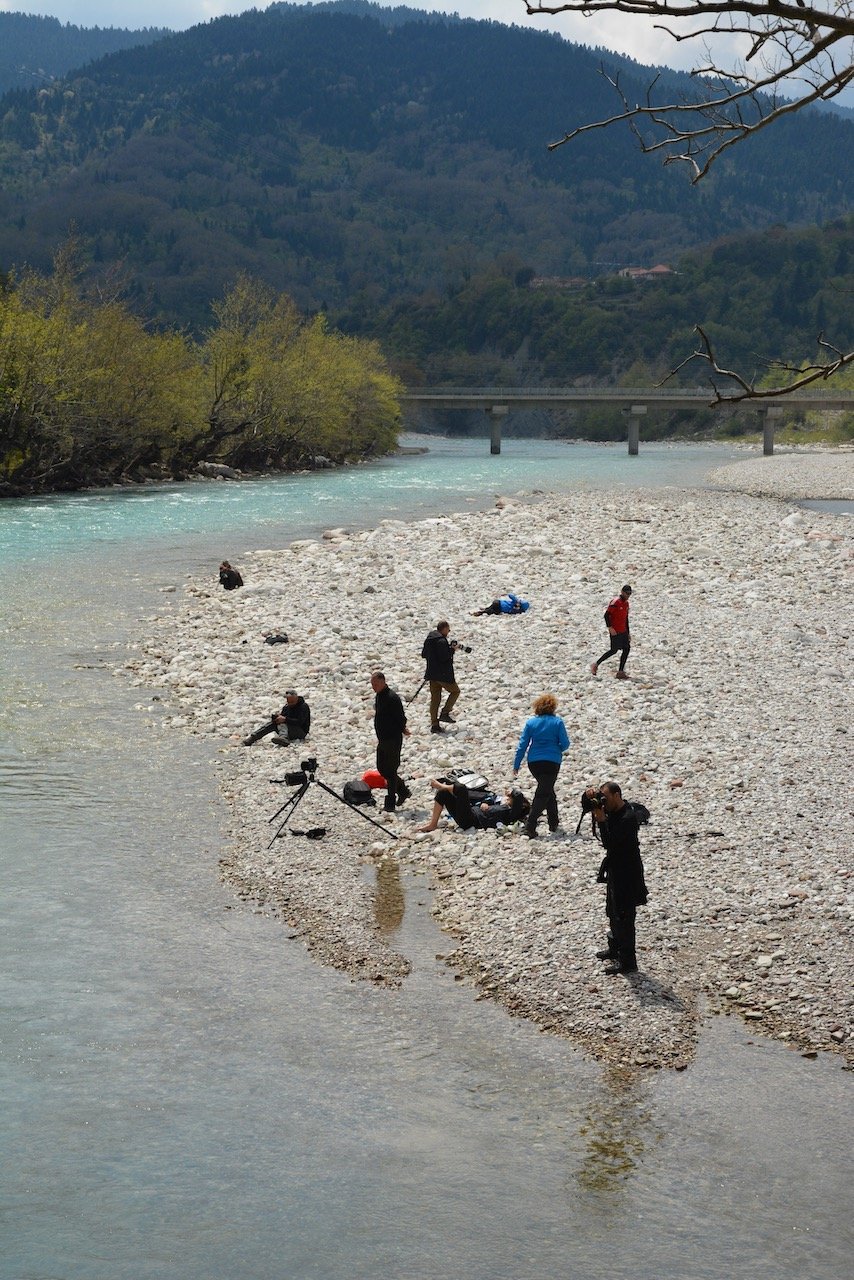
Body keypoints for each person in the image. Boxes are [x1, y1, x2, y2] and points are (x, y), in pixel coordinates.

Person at [590, 782, 648, 975]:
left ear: (617, 795)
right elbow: (587, 806)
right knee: (612, 911)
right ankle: (614, 949)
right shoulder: (613, 811)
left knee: (624, 916)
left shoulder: (628, 817)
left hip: (627, 873)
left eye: (605, 797)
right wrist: (590, 798)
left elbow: (609, 843)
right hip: (615, 870)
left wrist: (600, 820)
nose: (603, 801)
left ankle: (628, 962)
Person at [513, 693, 570, 838]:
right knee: (543, 793)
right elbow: (565, 744)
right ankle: (530, 826)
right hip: (552, 761)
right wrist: (556, 748)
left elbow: (522, 745)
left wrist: (517, 764)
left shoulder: (531, 723)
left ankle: (553, 822)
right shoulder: (557, 722)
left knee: (547, 790)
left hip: (534, 763)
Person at [415, 781, 529, 833]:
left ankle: (439, 785)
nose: (508, 798)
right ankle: (433, 824)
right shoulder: (502, 806)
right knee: (443, 793)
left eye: (511, 798)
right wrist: (486, 804)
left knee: (461, 788)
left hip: (471, 820)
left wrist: (512, 792)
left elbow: (518, 796)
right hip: (469, 813)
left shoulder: (511, 814)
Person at [370, 670, 412, 813]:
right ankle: (403, 790)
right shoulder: (379, 696)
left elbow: (401, 717)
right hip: (382, 739)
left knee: (391, 769)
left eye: (375, 684)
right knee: (382, 768)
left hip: (392, 739)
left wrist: (403, 728)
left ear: (383, 681)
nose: (373, 687)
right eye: (372, 684)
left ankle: (390, 803)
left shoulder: (392, 697)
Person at [421, 620, 460, 733]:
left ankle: (434, 724)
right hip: (443, 675)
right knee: (455, 691)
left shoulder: (429, 639)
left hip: (431, 674)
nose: (449, 631)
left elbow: (424, 654)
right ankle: (445, 712)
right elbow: (444, 658)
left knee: (435, 700)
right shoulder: (442, 641)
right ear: (443, 628)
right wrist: (452, 650)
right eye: (448, 629)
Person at [591, 584, 632, 679]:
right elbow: (606, 615)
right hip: (615, 630)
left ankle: (620, 672)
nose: (628, 595)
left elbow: (626, 619)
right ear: (622, 592)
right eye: (627, 593)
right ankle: (596, 664)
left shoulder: (626, 604)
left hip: (623, 630)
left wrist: (628, 632)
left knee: (626, 649)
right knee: (614, 650)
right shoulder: (615, 602)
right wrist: (610, 627)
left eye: (630, 594)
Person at [242, 689, 310, 746]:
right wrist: (277, 719)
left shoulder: (303, 707)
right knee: (273, 724)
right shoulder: (286, 707)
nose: (290, 703)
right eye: (289, 701)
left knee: (282, 723)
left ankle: (284, 738)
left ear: (296, 698)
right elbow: (283, 717)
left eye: (292, 701)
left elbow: (300, 722)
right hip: (287, 730)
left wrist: (285, 719)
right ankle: (253, 738)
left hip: (301, 732)